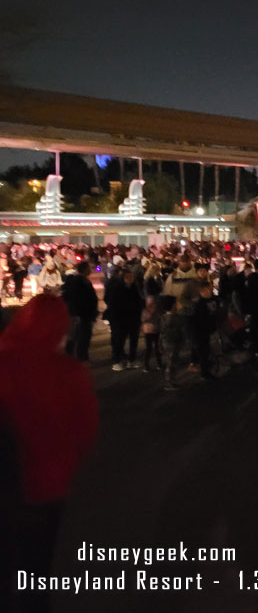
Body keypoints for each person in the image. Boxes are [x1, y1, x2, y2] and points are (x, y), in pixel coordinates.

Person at [0, 295, 98, 613]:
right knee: (35, 564)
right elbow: (85, 429)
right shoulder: (67, 372)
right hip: (48, 485)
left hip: (7, 484)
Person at [61, 261, 98, 362]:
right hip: (81, 314)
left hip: (78, 313)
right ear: (85, 269)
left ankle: (71, 356)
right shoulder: (80, 282)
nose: (91, 270)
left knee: (74, 336)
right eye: (89, 268)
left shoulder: (78, 281)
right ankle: (80, 358)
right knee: (82, 337)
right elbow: (83, 299)